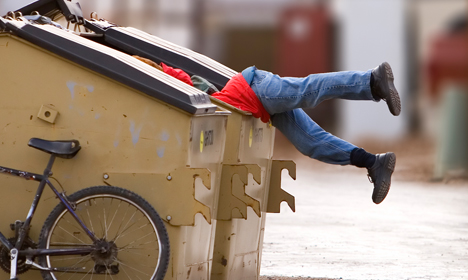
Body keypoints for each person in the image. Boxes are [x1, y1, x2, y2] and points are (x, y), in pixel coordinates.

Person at [133, 56, 400, 204]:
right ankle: (373, 163)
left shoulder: (169, 78)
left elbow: (173, 75)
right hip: (258, 105)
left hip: (255, 88)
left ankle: (371, 81)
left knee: (307, 90)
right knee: (311, 143)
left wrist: (147, 69)